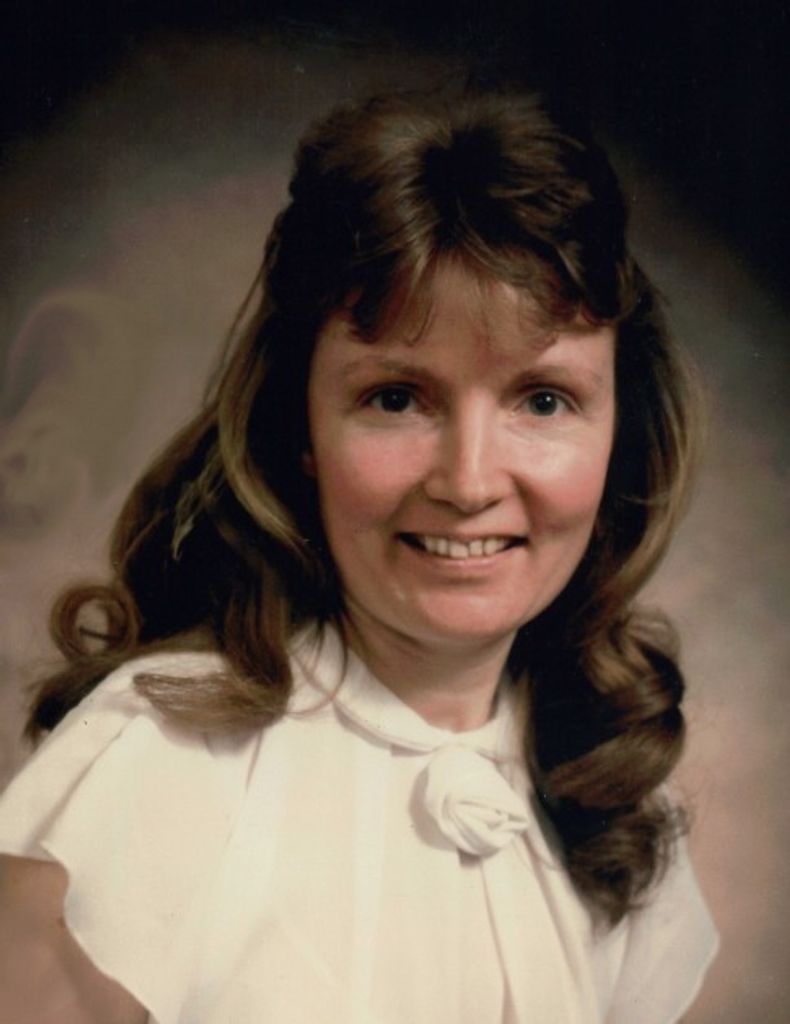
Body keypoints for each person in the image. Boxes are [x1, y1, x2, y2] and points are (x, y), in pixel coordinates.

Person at [0, 87, 718, 1023]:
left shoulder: (611, 805)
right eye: (396, 398)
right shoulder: (153, 761)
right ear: (300, 429)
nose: (468, 481)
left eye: (543, 400)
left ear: (620, 433)